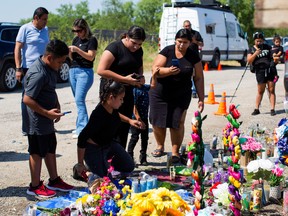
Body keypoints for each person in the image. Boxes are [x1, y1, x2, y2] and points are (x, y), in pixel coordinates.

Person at [23, 40, 74, 198]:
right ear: (50, 57)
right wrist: (47, 113)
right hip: (36, 121)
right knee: (37, 151)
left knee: (50, 147)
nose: (61, 65)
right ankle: (35, 186)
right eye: (60, 61)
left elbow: (50, 89)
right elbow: (27, 99)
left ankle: (54, 180)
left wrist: (56, 104)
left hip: (47, 118)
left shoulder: (51, 67)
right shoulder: (38, 73)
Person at [149, 28, 205, 164]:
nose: (181, 45)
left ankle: (175, 152)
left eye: (185, 42)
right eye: (179, 41)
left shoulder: (193, 55)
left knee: (177, 122)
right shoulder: (167, 51)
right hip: (160, 93)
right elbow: (155, 69)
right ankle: (160, 146)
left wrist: (201, 98)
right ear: (175, 40)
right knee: (158, 121)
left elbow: (198, 78)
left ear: (189, 42)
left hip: (181, 94)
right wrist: (167, 71)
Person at [75, 80, 142, 179]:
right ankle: (80, 170)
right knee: (104, 178)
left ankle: (104, 165)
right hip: (94, 149)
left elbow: (116, 115)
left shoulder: (111, 107)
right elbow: (82, 138)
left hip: (109, 145)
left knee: (129, 166)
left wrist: (129, 121)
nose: (122, 102)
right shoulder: (98, 115)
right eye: (121, 99)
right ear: (111, 97)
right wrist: (80, 163)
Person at [97, 25, 146, 149]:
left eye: (139, 44)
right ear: (127, 37)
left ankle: (119, 158)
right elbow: (101, 70)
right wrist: (125, 79)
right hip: (111, 90)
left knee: (124, 127)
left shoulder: (139, 50)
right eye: (134, 43)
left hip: (127, 91)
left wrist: (141, 77)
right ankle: (106, 158)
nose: (136, 47)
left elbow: (139, 67)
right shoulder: (114, 48)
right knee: (110, 123)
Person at [15, 7, 50, 136]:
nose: (46, 22)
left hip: (44, 67)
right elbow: (17, 48)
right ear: (36, 18)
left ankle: (44, 125)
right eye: (44, 19)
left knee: (44, 97)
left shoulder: (45, 30)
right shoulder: (25, 28)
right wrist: (18, 68)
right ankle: (27, 128)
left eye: (47, 19)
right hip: (29, 68)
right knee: (27, 98)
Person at [68, 18, 98, 139]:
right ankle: (79, 126)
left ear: (85, 29)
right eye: (74, 31)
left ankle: (83, 129)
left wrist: (78, 50)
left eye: (79, 31)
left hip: (84, 72)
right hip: (73, 70)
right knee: (77, 100)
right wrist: (69, 52)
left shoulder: (92, 40)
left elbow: (91, 57)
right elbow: (72, 57)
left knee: (80, 100)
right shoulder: (76, 39)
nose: (77, 33)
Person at [247, 32, 276, 116]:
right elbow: (249, 61)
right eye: (257, 41)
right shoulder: (251, 49)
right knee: (260, 91)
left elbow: (273, 56)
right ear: (254, 41)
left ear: (263, 40)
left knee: (271, 90)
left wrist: (275, 58)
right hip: (260, 71)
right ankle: (256, 109)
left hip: (270, 70)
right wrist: (255, 53)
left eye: (260, 41)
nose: (259, 43)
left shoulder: (268, 47)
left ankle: (272, 109)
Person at [127, 82, 150, 165]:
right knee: (134, 137)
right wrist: (139, 119)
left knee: (145, 138)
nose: (143, 78)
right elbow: (134, 107)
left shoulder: (145, 87)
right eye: (141, 77)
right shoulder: (134, 90)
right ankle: (129, 157)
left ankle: (143, 157)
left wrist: (154, 75)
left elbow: (154, 86)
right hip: (136, 119)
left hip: (144, 118)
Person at [183, 20, 204, 99]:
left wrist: (195, 41)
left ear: (190, 26)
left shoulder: (196, 34)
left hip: (194, 57)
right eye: (185, 26)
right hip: (184, 57)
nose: (187, 27)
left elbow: (202, 44)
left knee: (195, 74)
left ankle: (194, 91)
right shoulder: (182, 34)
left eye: (188, 26)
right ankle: (187, 90)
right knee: (187, 74)